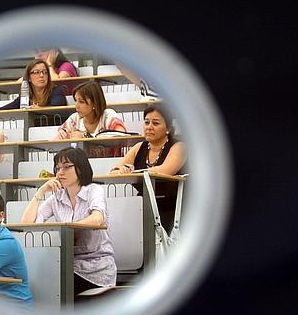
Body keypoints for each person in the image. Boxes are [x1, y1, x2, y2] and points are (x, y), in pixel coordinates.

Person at [20, 147, 117, 296]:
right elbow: (27, 225)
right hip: (67, 265)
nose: (60, 172)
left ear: (81, 168)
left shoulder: (94, 190)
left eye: (66, 167)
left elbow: (97, 219)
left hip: (96, 267)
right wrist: (40, 192)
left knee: (49, 284)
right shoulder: (56, 198)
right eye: (58, 168)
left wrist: (70, 228)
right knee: (35, 278)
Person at [109, 105, 186, 233]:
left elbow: (166, 170)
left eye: (155, 123)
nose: (149, 126)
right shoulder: (139, 147)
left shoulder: (179, 146)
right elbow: (113, 172)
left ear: (168, 128)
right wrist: (122, 169)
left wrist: (133, 172)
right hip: (143, 207)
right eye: (146, 122)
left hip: (173, 209)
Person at [54, 81, 127, 140]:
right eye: (75, 101)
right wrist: (61, 134)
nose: (76, 106)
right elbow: (56, 141)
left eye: (81, 102)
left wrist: (87, 137)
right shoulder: (74, 119)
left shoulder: (108, 115)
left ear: (95, 103)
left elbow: (122, 137)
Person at [0, 60, 67, 110]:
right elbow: (3, 110)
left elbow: (57, 109)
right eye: (37, 72)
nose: (42, 75)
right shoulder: (26, 95)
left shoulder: (57, 91)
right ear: (29, 78)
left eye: (45, 72)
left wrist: (39, 109)